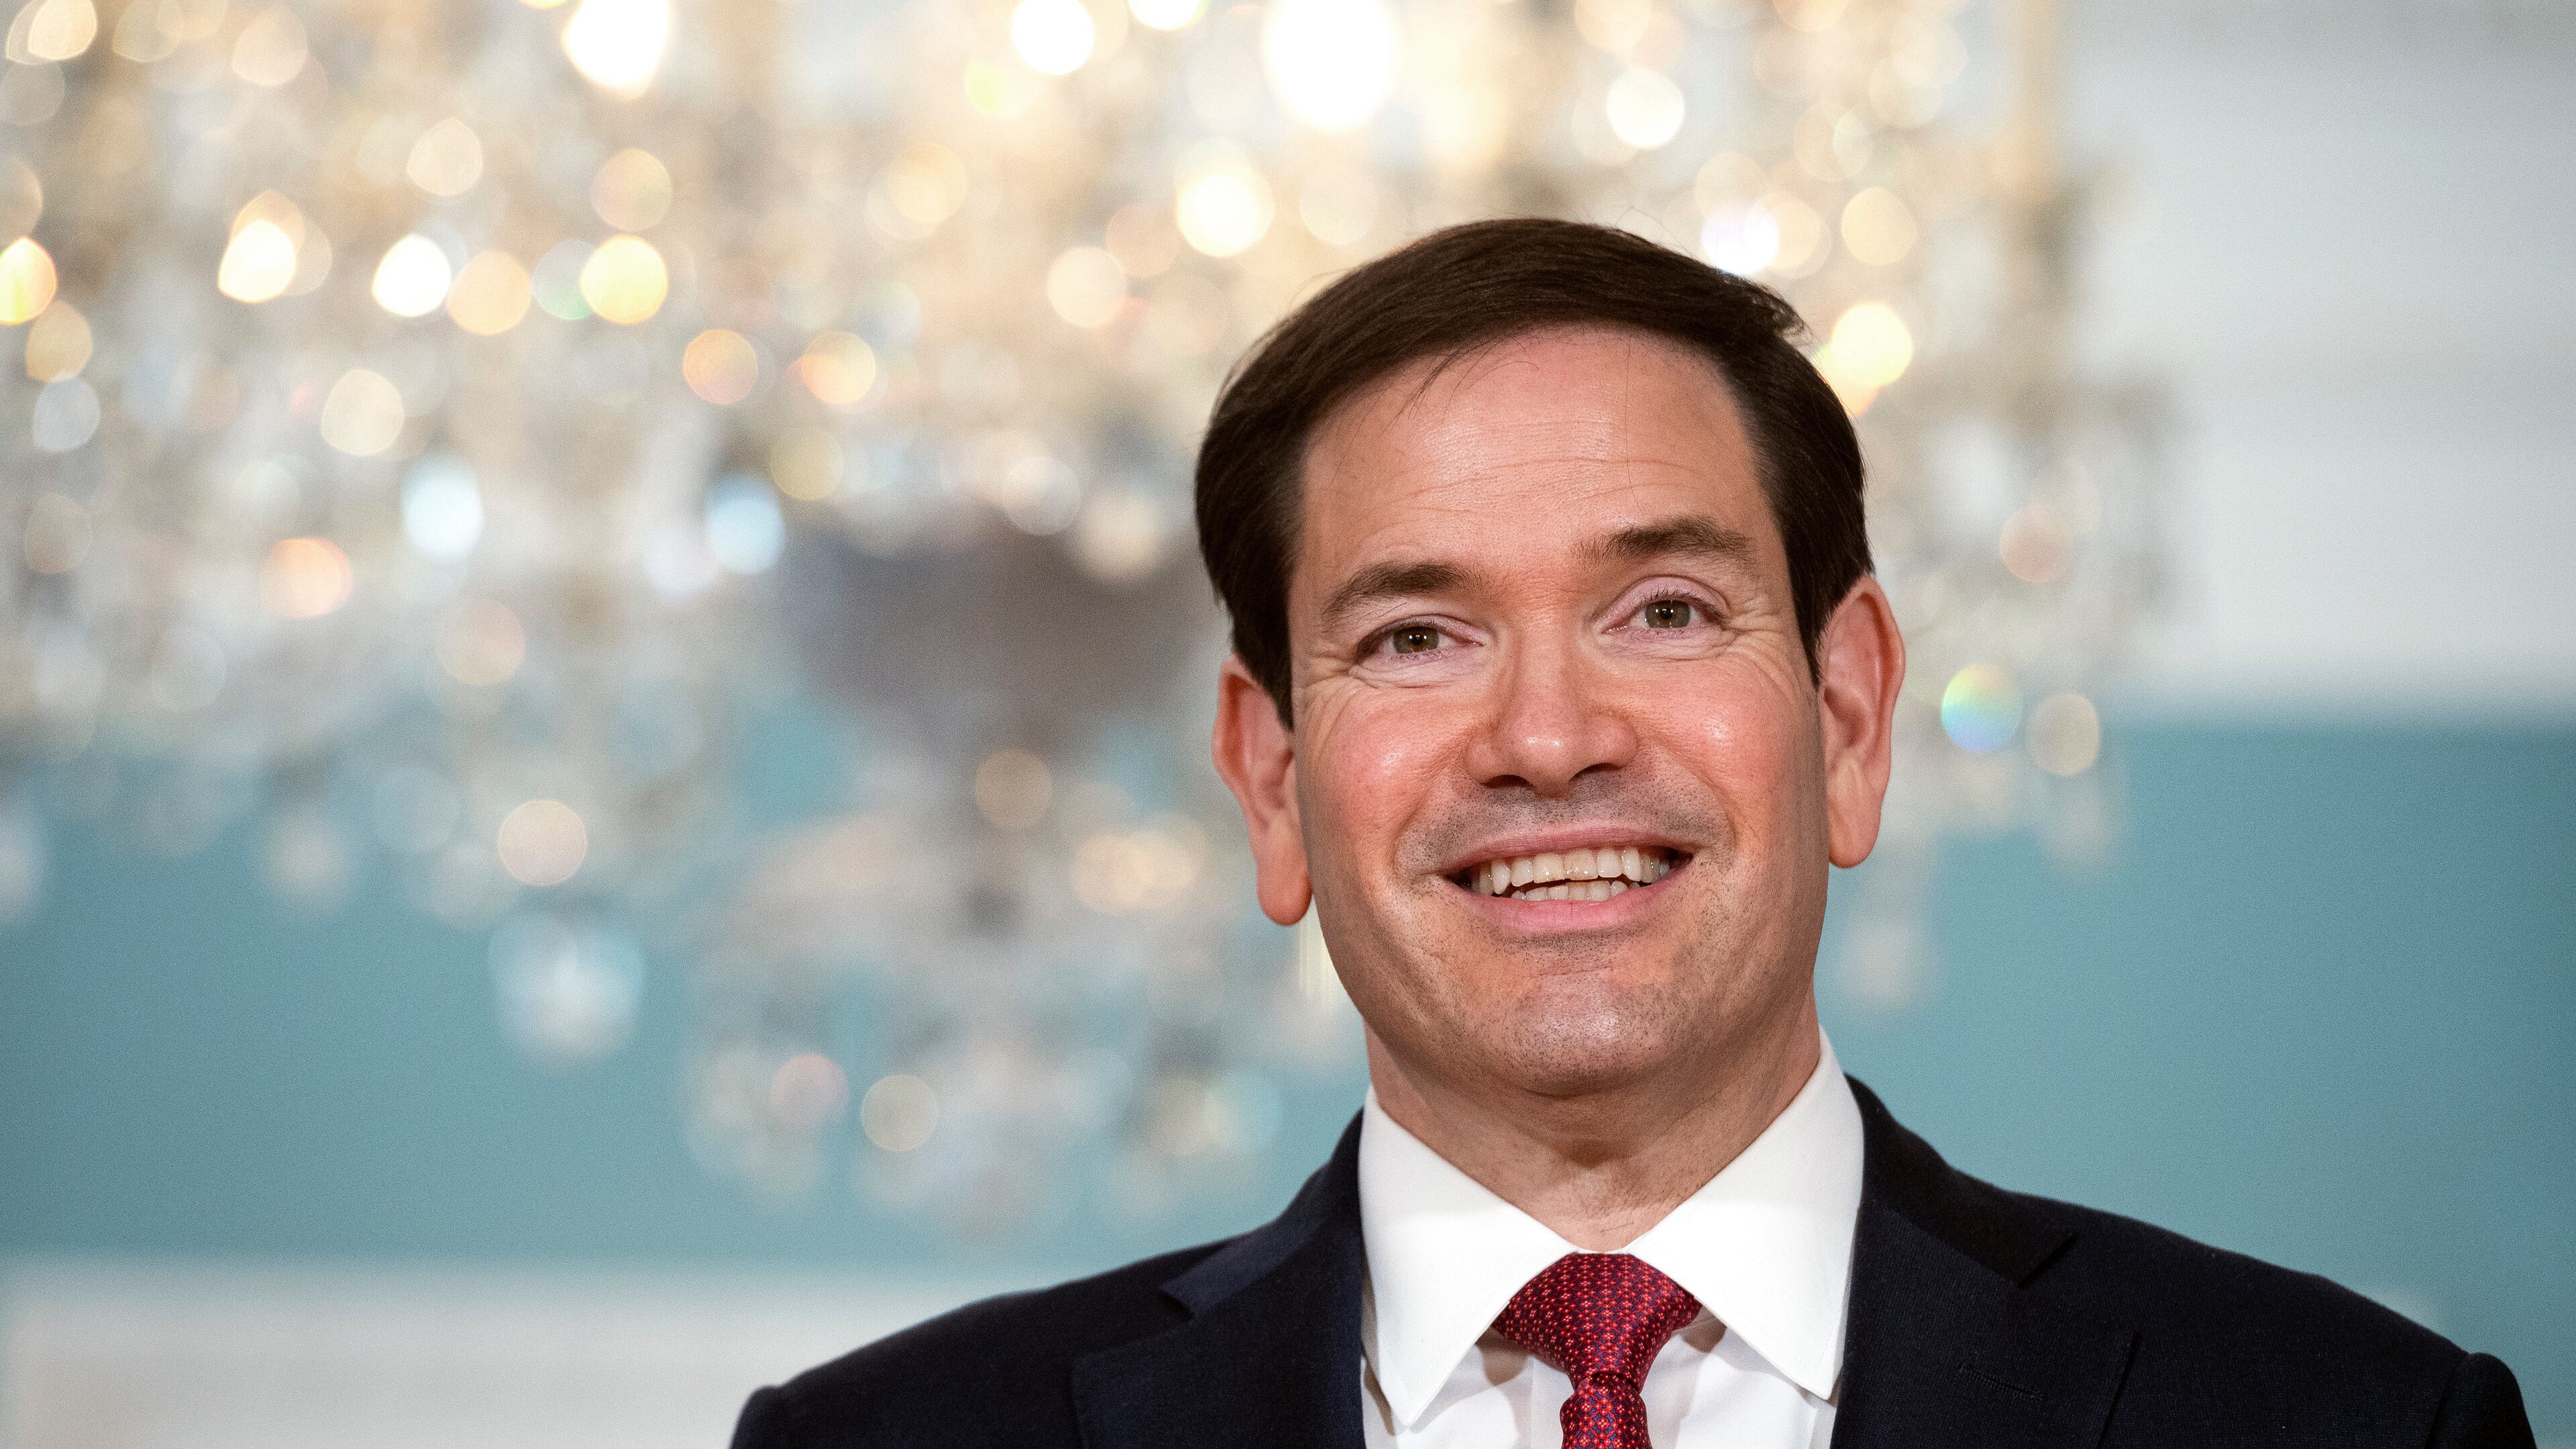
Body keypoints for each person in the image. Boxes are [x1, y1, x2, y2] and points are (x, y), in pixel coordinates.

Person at [729, 219, 2534, 1448]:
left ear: (1846, 712)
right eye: (1418, 637)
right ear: (1271, 777)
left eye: (1664, 610)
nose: (1547, 738)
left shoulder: (2356, 1423)